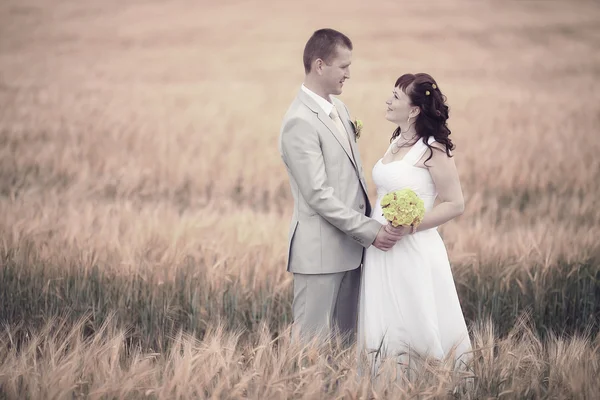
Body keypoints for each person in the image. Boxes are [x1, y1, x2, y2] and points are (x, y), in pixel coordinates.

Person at [278, 29, 403, 343]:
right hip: (320, 255)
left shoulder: (340, 109)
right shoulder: (299, 122)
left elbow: (352, 178)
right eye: (343, 66)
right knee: (311, 348)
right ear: (320, 66)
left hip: (352, 249)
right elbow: (318, 195)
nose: (349, 73)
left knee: (347, 347)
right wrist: (370, 230)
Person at [358, 73, 472, 372]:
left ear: (413, 110)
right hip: (380, 246)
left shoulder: (432, 148)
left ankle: (430, 380)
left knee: (414, 314)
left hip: (413, 247)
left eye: (395, 96)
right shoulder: (396, 139)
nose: (387, 100)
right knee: (384, 317)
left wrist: (409, 226)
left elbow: (455, 203)